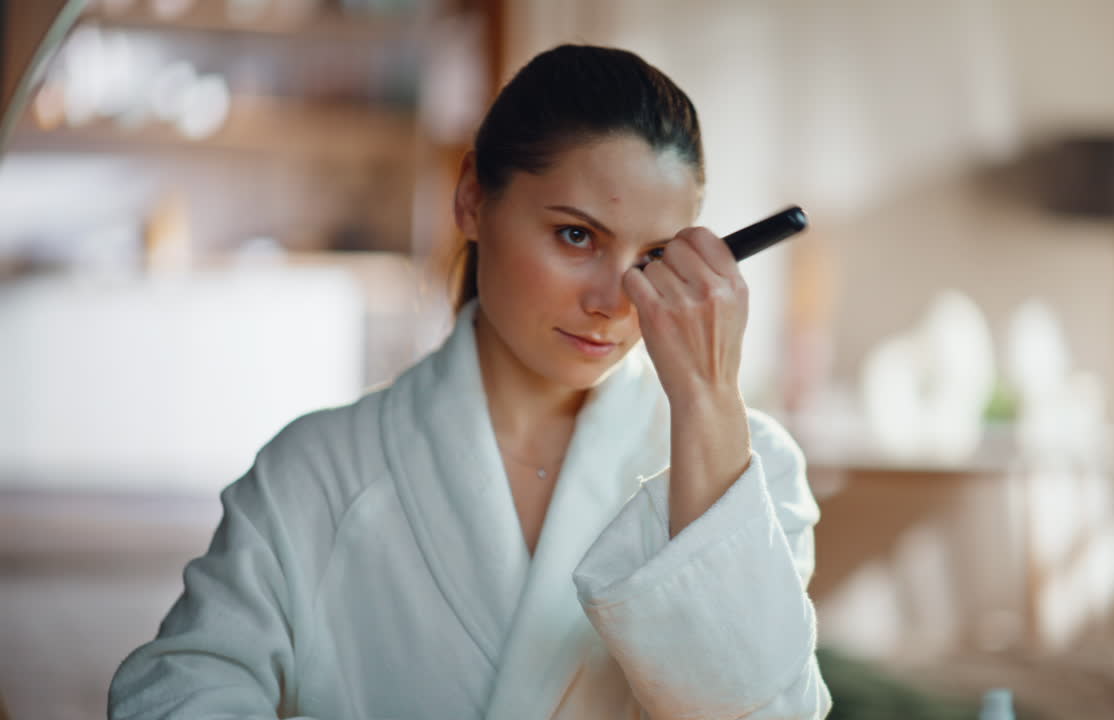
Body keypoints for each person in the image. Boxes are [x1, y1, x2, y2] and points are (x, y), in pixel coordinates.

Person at [109, 44, 831, 720]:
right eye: (576, 236)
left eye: (655, 255)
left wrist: (707, 399)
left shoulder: (751, 470)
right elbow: (178, 694)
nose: (614, 300)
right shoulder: (316, 471)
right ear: (471, 200)